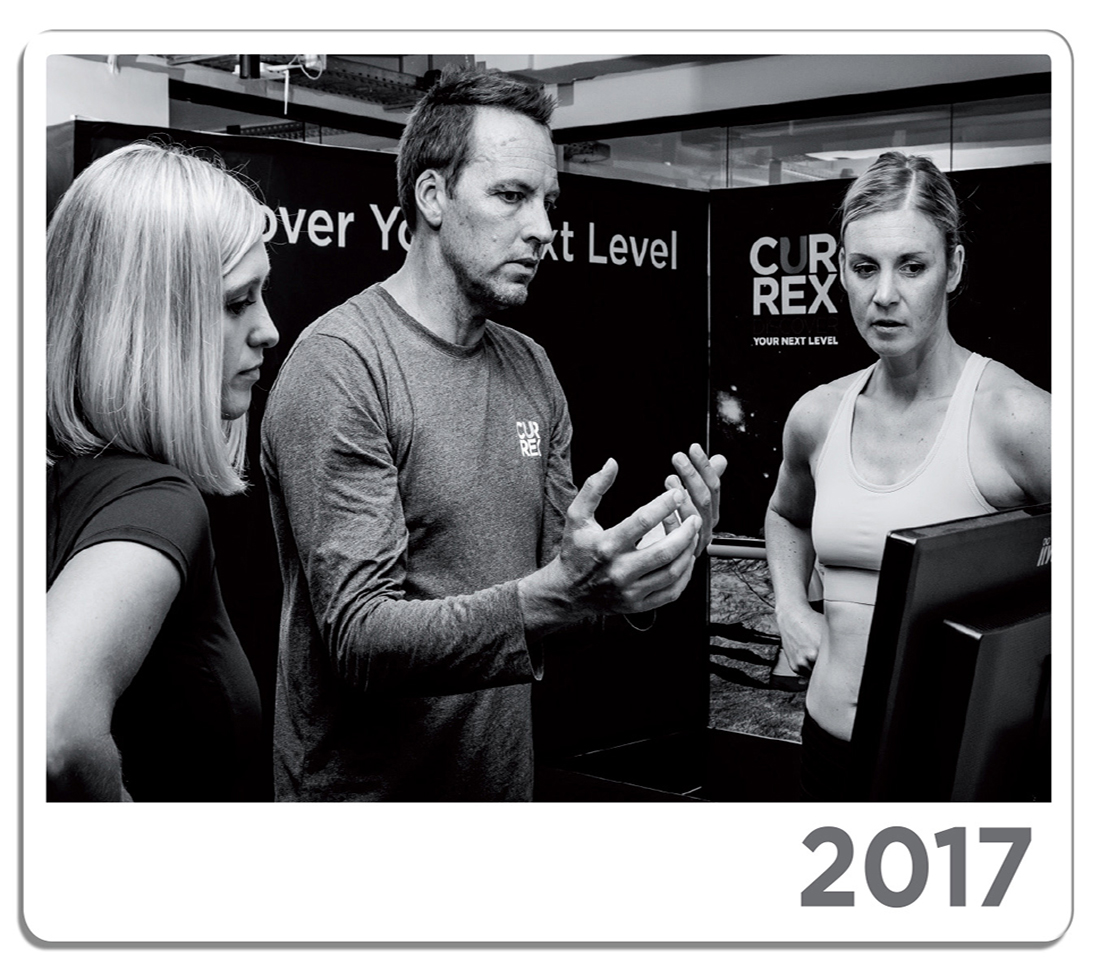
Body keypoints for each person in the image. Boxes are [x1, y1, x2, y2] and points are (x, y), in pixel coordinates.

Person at [261, 67, 726, 801]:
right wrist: (558, 594)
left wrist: (642, 570)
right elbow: (360, 640)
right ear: (433, 196)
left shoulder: (530, 367)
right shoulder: (343, 364)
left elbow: (561, 597)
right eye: (511, 195)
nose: (542, 228)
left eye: (547, 202)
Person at [765, 151, 1050, 801]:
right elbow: (785, 514)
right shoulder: (817, 415)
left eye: (912, 266)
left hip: (957, 772)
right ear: (841, 269)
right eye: (865, 267)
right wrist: (790, 605)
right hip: (828, 752)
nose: (885, 294)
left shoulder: (1017, 419)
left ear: (954, 268)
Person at [46, 143, 279, 801]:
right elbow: (56, 731)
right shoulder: (156, 502)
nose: (267, 329)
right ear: (151, 319)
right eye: (237, 302)